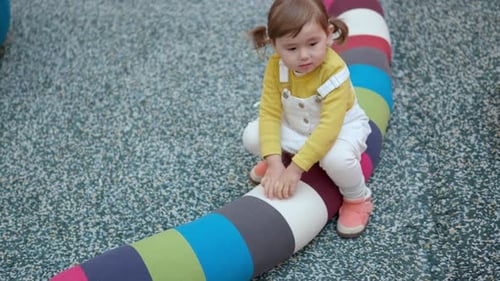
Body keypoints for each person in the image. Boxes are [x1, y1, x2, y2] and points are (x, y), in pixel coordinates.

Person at [242, 0, 373, 238]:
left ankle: (358, 198)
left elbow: (328, 128)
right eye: (291, 49)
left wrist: (294, 170)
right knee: (252, 136)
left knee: (337, 161)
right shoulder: (276, 66)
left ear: (328, 34)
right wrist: (274, 162)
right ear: (275, 46)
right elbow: (270, 112)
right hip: (296, 125)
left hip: (338, 129)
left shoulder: (333, 71)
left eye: (313, 44)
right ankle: (283, 156)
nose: (304, 56)